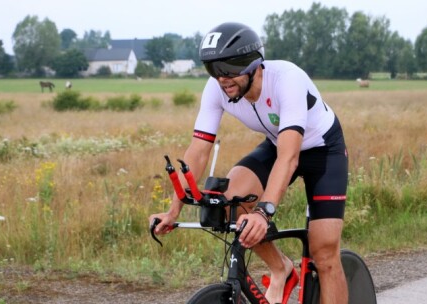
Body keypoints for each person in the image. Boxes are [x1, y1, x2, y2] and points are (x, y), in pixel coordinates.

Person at [149, 22, 348, 304]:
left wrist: (263, 213)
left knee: (324, 253)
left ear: (253, 65)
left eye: (228, 69)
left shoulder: (287, 79)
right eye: (213, 69)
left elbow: (289, 158)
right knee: (230, 201)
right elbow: (198, 150)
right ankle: (282, 269)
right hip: (278, 143)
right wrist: (173, 210)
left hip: (322, 150)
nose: (221, 78)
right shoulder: (217, 88)